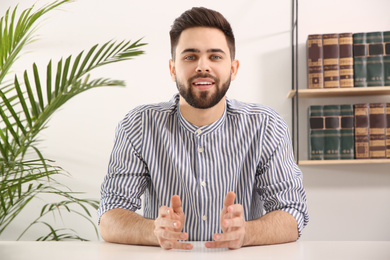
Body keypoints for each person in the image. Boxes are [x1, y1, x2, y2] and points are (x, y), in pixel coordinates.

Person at [98, 7, 309, 250]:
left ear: (233, 68)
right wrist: (154, 231)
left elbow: (293, 213)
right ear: (172, 68)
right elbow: (110, 216)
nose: (202, 66)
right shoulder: (138, 126)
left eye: (215, 56)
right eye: (190, 56)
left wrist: (247, 232)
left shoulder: (266, 126)